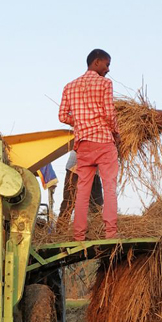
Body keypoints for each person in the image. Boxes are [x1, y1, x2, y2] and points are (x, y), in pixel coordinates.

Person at [58, 48, 120, 241]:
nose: (108, 69)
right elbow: (109, 114)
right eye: (107, 64)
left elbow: (61, 116)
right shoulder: (104, 83)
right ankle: (110, 233)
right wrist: (116, 132)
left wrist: (81, 121)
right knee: (109, 187)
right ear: (96, 62)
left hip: (83, 144)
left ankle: (78, 236)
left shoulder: (70, 86)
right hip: (103, 141)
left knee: (82, 190)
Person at [56, 150, 104, 230]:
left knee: (96, 204)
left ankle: (97, 231)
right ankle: (60, 230)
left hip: (94, 170)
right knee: (69, 201)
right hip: (75, 168)